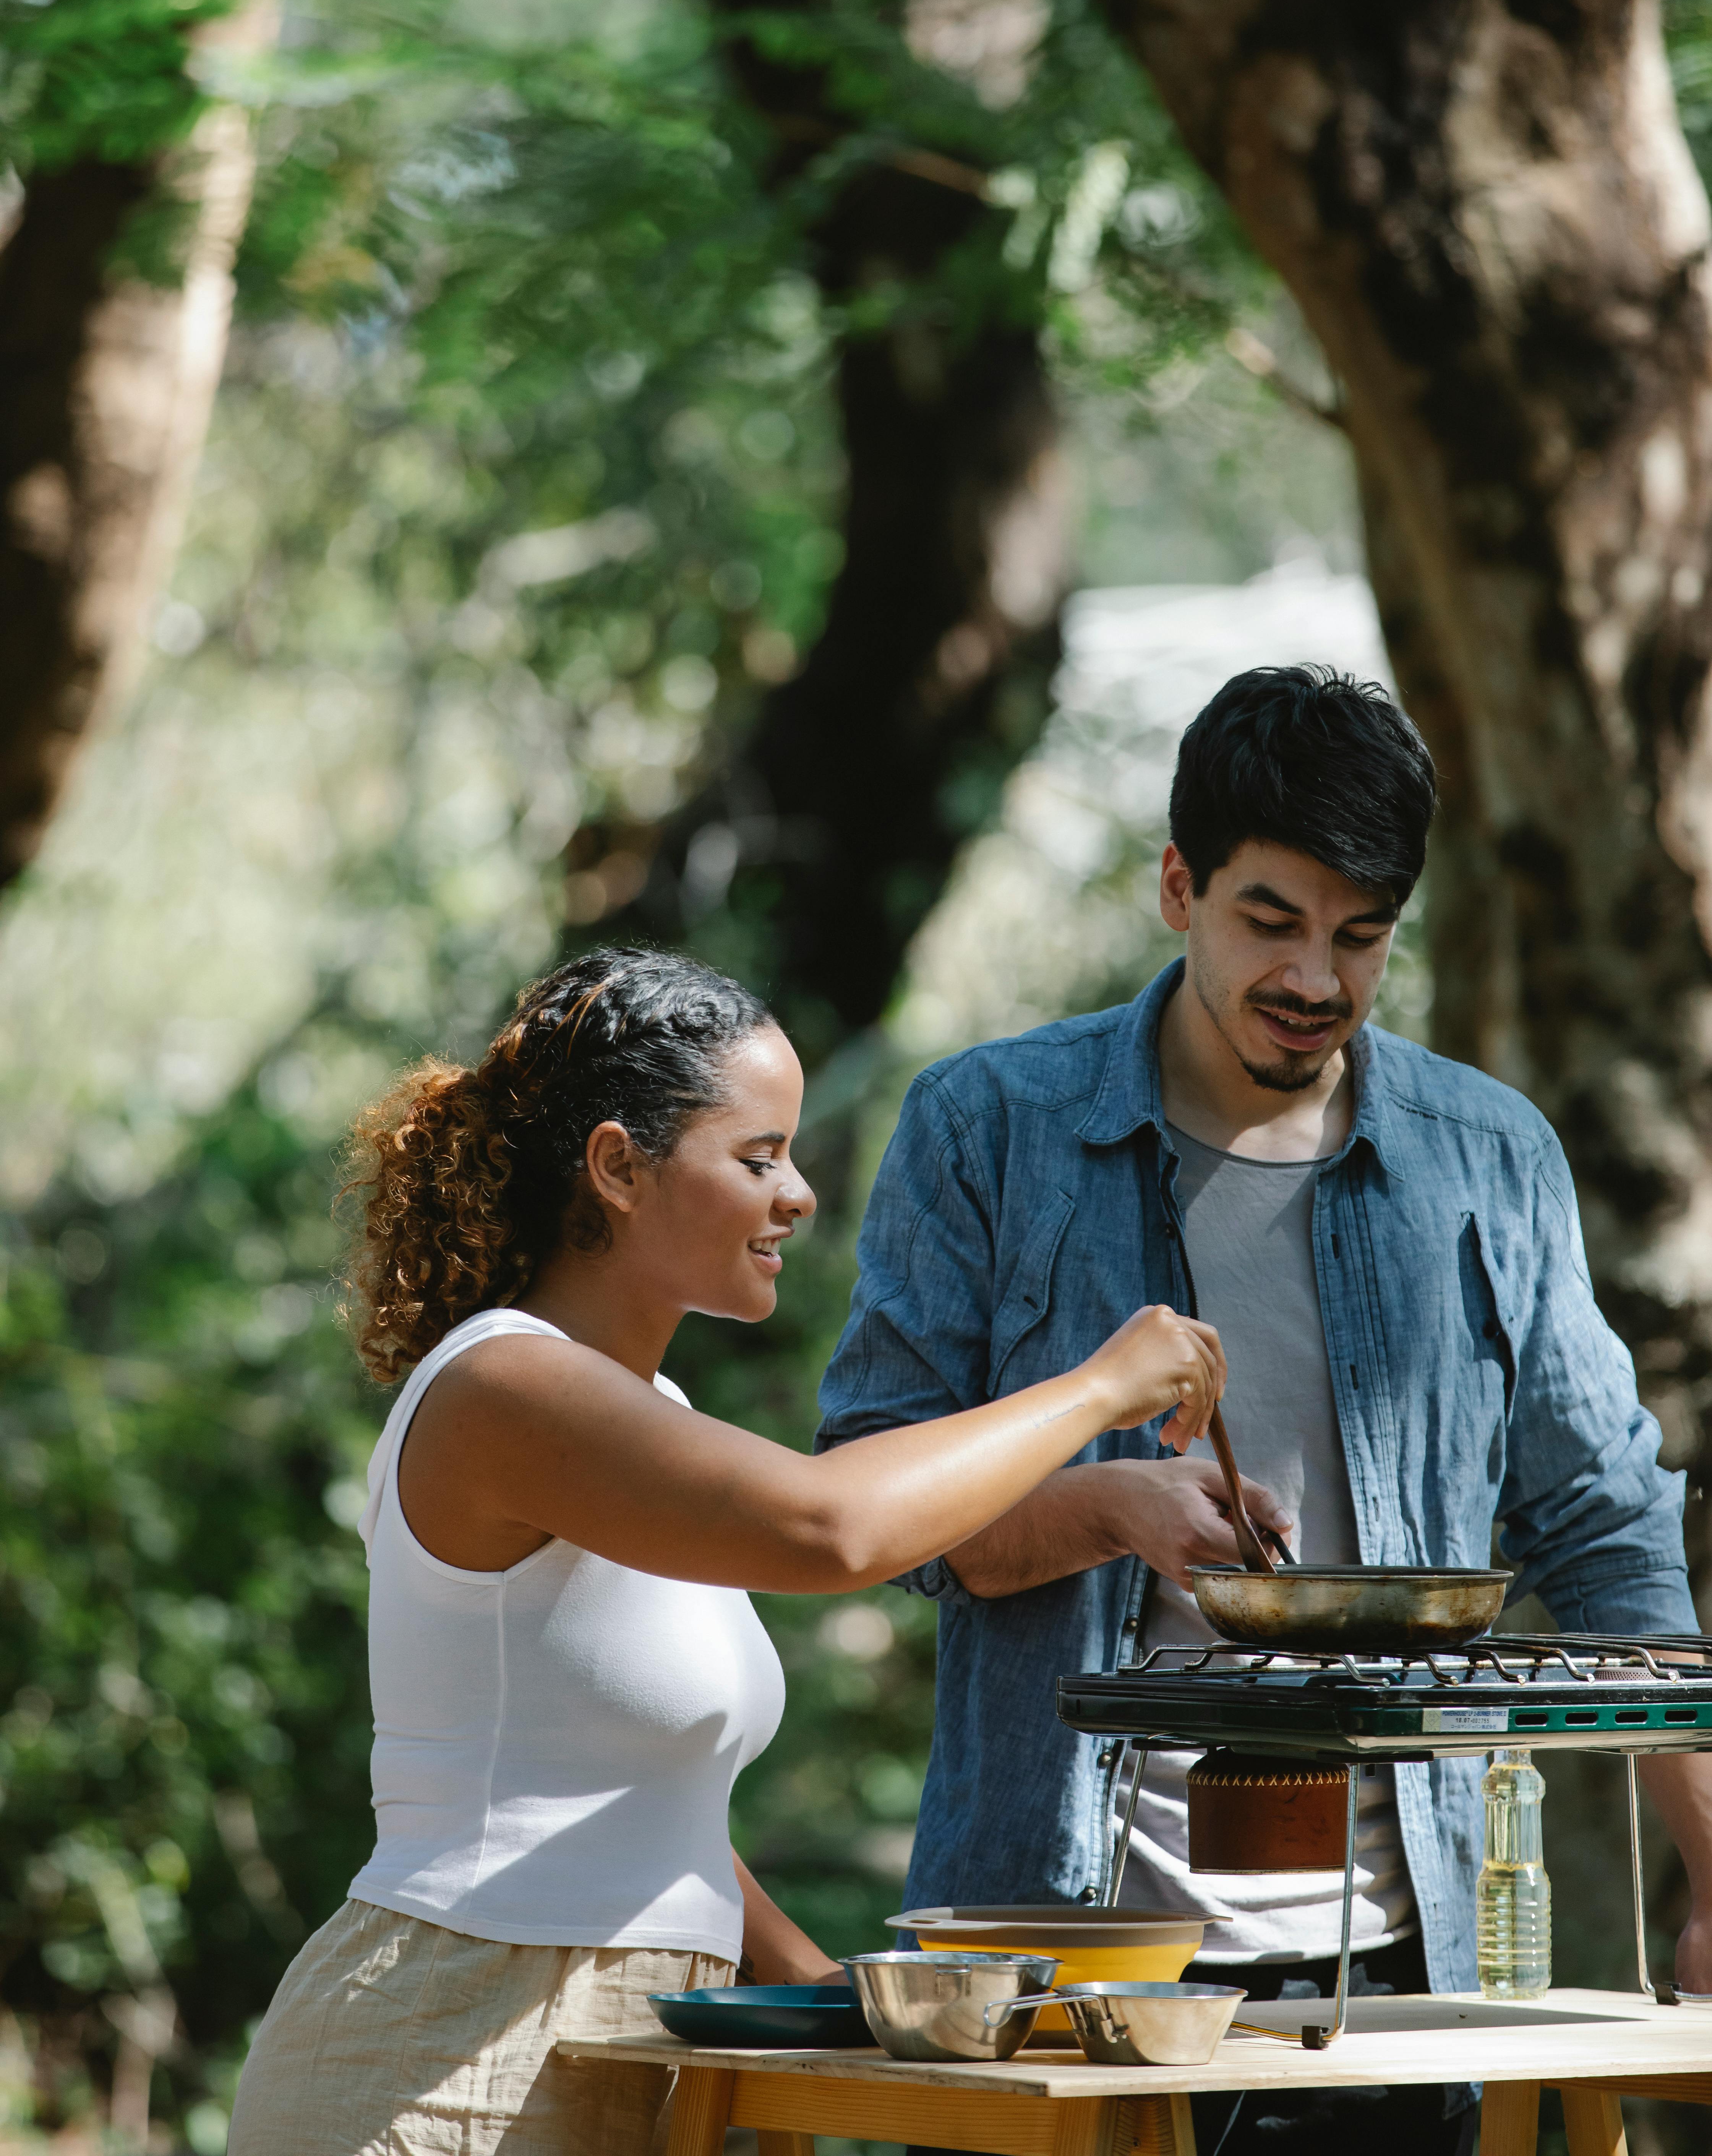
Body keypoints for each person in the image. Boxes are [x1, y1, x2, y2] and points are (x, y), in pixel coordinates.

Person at [817, 665, 1712, 2156]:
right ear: (1179, 886)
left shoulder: (1487, 1158)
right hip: (1063, 1973)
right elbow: (877, 1508)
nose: (1315, 981)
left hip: (1403, 1988)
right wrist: (1107, 1507)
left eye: (1359, 939)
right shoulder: (988, 1131)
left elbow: (1608, 1527)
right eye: (1270, 922)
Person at [228, 945, 1225, 2156]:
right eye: (759, 1158)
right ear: (617, 1168)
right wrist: (1100, 1386)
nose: (800, 1194)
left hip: (621, 2059)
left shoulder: (655, 1417)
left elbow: (645, 1805)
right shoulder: (505, 1384)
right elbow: (833, 1525)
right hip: (445, 2050)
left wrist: (832, 1991)